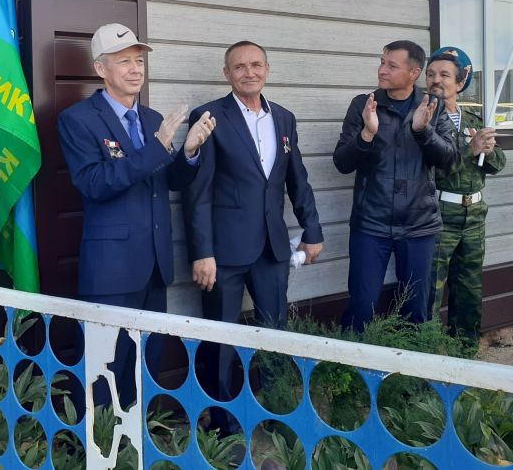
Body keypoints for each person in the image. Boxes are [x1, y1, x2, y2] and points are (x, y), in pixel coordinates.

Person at [57, 23, 215, 311]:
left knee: (152, 343)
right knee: (109, 344)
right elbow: (95, 183)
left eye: (139, 61)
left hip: (156, 267)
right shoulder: (77, 119)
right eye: (124, 61)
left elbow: (170, 181)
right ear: (101, 69)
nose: (136, 69)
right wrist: (157, 147)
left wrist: (189, 151)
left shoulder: (152, 118)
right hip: (111, 271)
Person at [183, 41, 323, 331]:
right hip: (223, 253)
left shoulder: (284, 118)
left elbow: (298, 179)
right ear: (227, 73)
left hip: (273, 249)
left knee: (275, 333)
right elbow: (198, 192)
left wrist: (312, 230)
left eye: (256, 65)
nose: (249, 73)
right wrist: (202, 252)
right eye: (239, 67)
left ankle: (272, 366)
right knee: (221, 339)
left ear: (267, 69)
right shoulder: (208, 117)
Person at [334, 40, 457, 332]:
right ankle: (355, 357)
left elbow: (449, 160)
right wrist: (367, 133)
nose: (382, 70)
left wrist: (423, 131)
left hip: (419, 225)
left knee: (415, 309)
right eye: (382, 62)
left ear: (413, 73)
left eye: (391, 65)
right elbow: (342, 162)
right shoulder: (364, 104)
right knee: (361, 305)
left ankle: (409, 361)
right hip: (370, 223)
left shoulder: (433, 105)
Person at [426, 46, 506, 353]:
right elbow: (431, 169)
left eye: (444, 75)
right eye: (431, 74)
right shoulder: (423, 120)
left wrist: (489, 150)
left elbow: (497, 165)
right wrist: (470, 149)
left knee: (469, 290)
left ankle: (465, 354)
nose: (436, 80)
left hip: (473, 216)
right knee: (430, 291)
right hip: (438, 215)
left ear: (460, 83)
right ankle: (427, 358)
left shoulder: (474, 118)